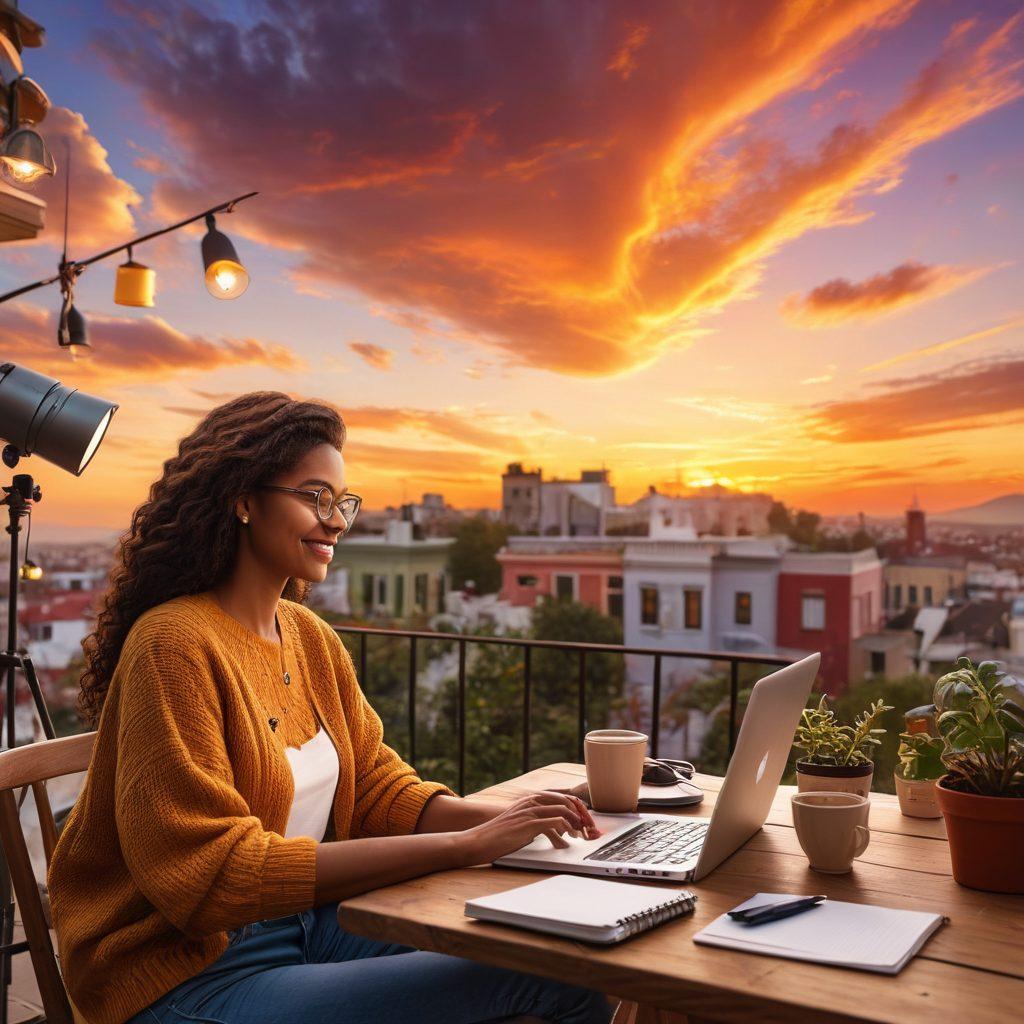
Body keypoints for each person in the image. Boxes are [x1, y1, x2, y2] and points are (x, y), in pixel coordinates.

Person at [47, 392, 612, 1024]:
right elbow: (209, 876)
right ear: (242, 499)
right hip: (183, 975)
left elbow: (374, 790)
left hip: (304, 928)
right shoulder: (173, 645)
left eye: (342, 502)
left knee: (571, 948)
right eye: (314, 497)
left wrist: (536, 830)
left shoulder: (310, 637)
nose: (337, 521)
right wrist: (471, 843)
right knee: (547, 982)